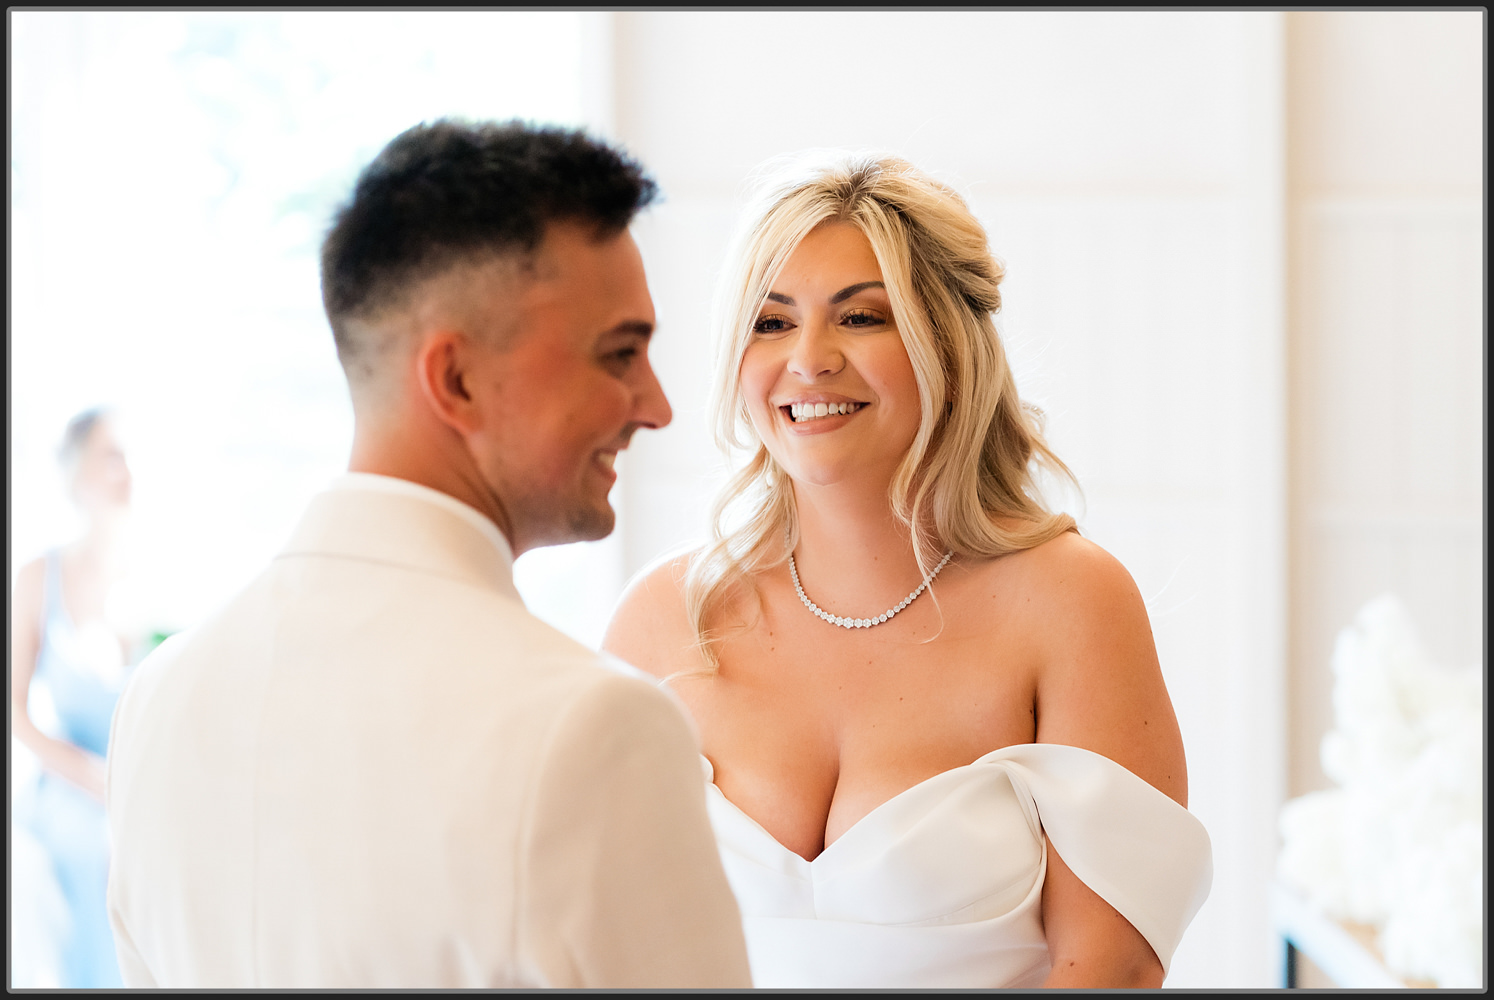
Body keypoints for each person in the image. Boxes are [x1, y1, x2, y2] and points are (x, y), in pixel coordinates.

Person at [105, 120, 752, 989]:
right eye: (620, 353)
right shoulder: (595, 728)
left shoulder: (160, 698)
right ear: (455, 380)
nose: (657, 405)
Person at [603, 152, 1213, 989]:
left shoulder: (1070, 600)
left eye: (861, 318)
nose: (809, 360)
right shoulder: (663, 617)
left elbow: (1108, 967)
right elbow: (608, 946)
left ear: (950, 353)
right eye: (772, 323)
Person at [11, 408, 137, 988]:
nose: (126, 470)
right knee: (97, 854)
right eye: (111, 455)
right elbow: (16, 715)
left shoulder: (143, 581)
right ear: (77, 474)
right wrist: (90, 776)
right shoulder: (41, 576)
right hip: (66, 784)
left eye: (129, 456)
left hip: (131, 782)